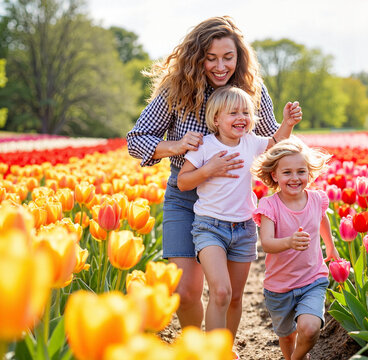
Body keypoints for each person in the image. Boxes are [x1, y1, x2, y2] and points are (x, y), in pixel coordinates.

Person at [126, 15, 302, 332]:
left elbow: (269, 143)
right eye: (211, 58)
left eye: (228, 57)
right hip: (185, 196)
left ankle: (218, 348)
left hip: (233, 203)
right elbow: (136, 141)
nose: (220, 66)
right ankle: (198, 347)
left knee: (227, 294)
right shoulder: (175, 89)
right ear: (198, 58)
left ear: (239, 57)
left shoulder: (252, 90)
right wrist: (176, 145)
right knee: (187, 290)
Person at [176, 86, 299, 352]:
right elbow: (183, 182)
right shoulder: (205, 146)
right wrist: (209, 169)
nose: (241, 117)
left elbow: (276, 144)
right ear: (216, 119)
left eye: (245, 112)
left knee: (234, 297)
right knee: (220, 291)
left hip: (243, 228)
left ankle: (226, 348)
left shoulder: (251, 142)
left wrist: (287, 123)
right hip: (209, 227)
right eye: (233, 112)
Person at [252, 136, 339, 360]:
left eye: (301, 171)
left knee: (310, 329)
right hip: (279, 286)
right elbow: (268, 244)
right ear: (274, 175)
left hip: (312, 279)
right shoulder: (269, 205)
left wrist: (330, 246)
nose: (295, 178)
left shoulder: (316, 199)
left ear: (310, 173)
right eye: (287, 172)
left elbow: (322, 220)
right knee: (288, 336)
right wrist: (289, 242)